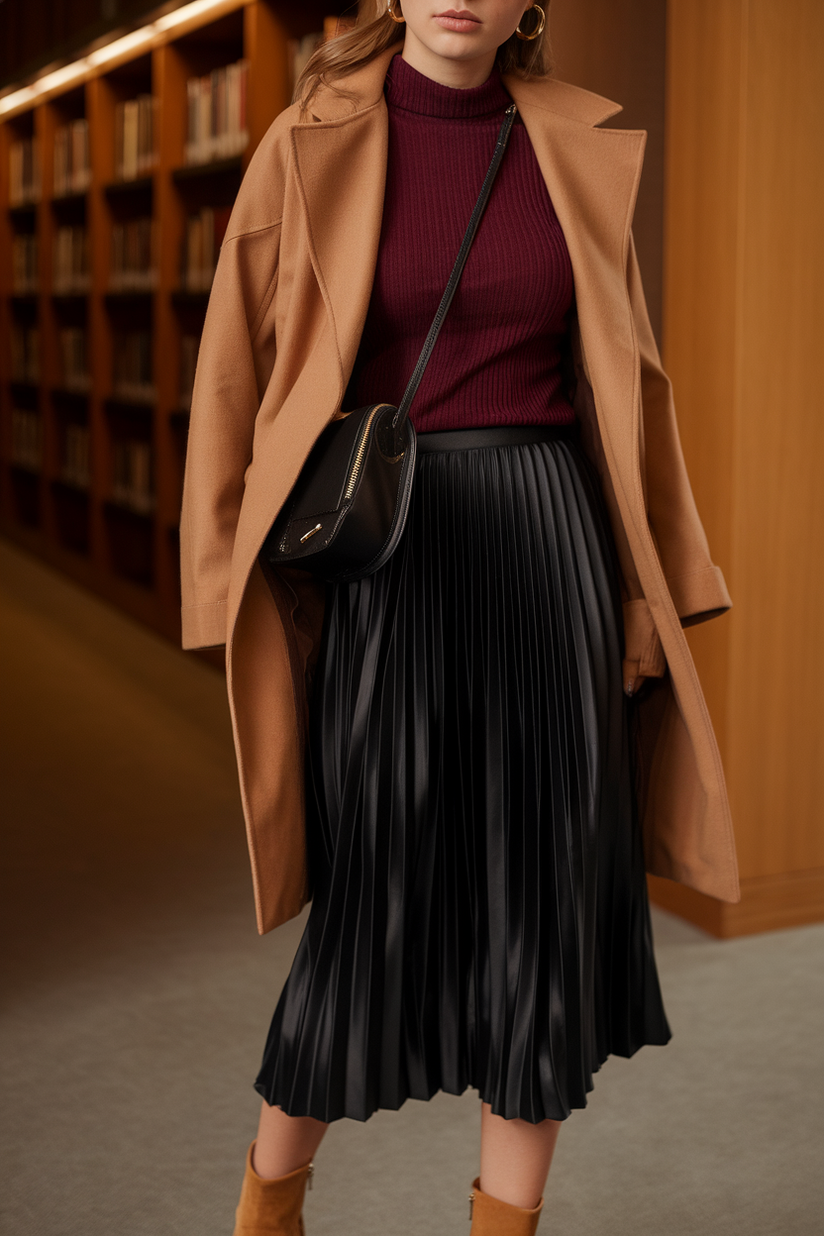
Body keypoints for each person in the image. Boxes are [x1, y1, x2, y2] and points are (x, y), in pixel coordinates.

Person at [180, 2, 739, 1232]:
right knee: (375, 899)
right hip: (391, 557)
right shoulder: (302, 140)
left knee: (545, 904)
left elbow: (628, 385)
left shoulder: (571, 144)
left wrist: (642, 593)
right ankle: (268, 1209)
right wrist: (222, 579)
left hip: (549, 548)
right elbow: (233, 362)